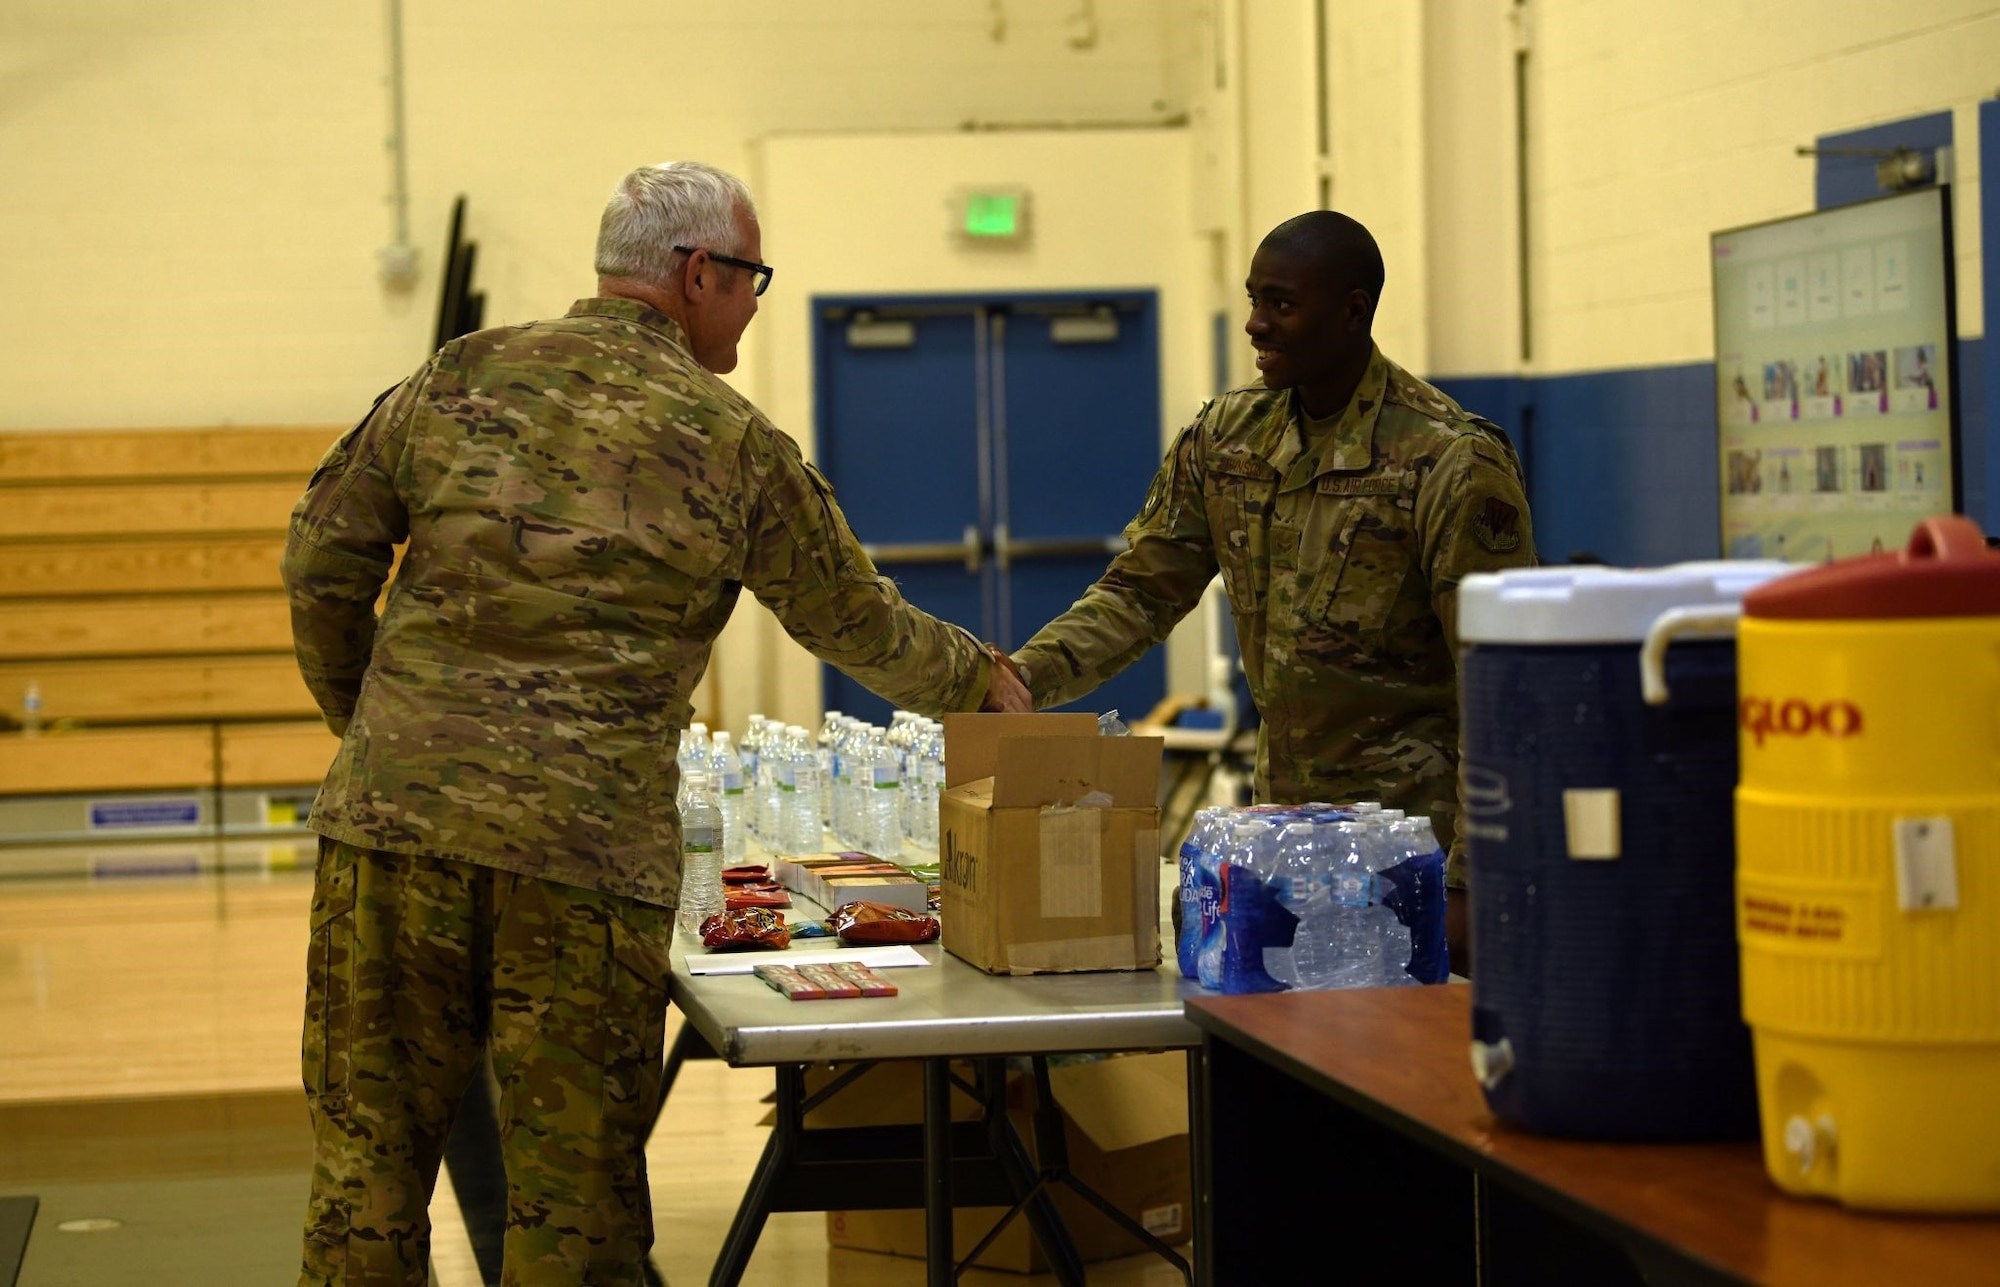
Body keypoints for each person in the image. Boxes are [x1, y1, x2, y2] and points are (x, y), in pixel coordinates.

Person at [282, 159, 1029, 1284]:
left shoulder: (455, 377)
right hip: (576, 866)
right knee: (570, 1203)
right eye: (750, 277)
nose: (756, 300)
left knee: (363, 1180)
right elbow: (858, 626)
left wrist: (377, 733)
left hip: (389, 838)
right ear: (695, 275)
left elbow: (319, 561)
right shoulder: (726, 441)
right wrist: (985, 683)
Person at [1001, 210, 1537, 975]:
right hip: (1283, 840)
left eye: (1281, 303)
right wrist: (1022, 678)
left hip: (1410, 854)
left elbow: (1502, 687)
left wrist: (1469, 880)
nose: (1255, 324)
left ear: (1353, 310)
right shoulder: (1228, 440)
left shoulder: (1447, 458)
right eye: (1253, 298)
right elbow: (1141, 592)